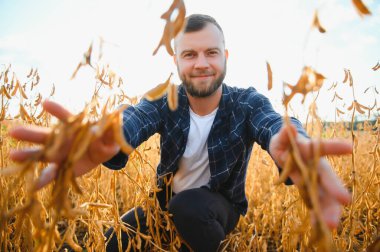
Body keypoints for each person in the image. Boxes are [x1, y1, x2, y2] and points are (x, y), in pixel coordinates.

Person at [10, 14, 352, 252]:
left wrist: (293, 144)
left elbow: (276, 125)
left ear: (225, 57)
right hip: (163, 205)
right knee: (114, 240)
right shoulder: (165, 101)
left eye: (211, 52)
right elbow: (134, 118)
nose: (201, 63)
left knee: (189, 207)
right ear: (176, 61)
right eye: (190, 54)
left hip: (219, 208)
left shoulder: (246, 102)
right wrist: (109, 137)